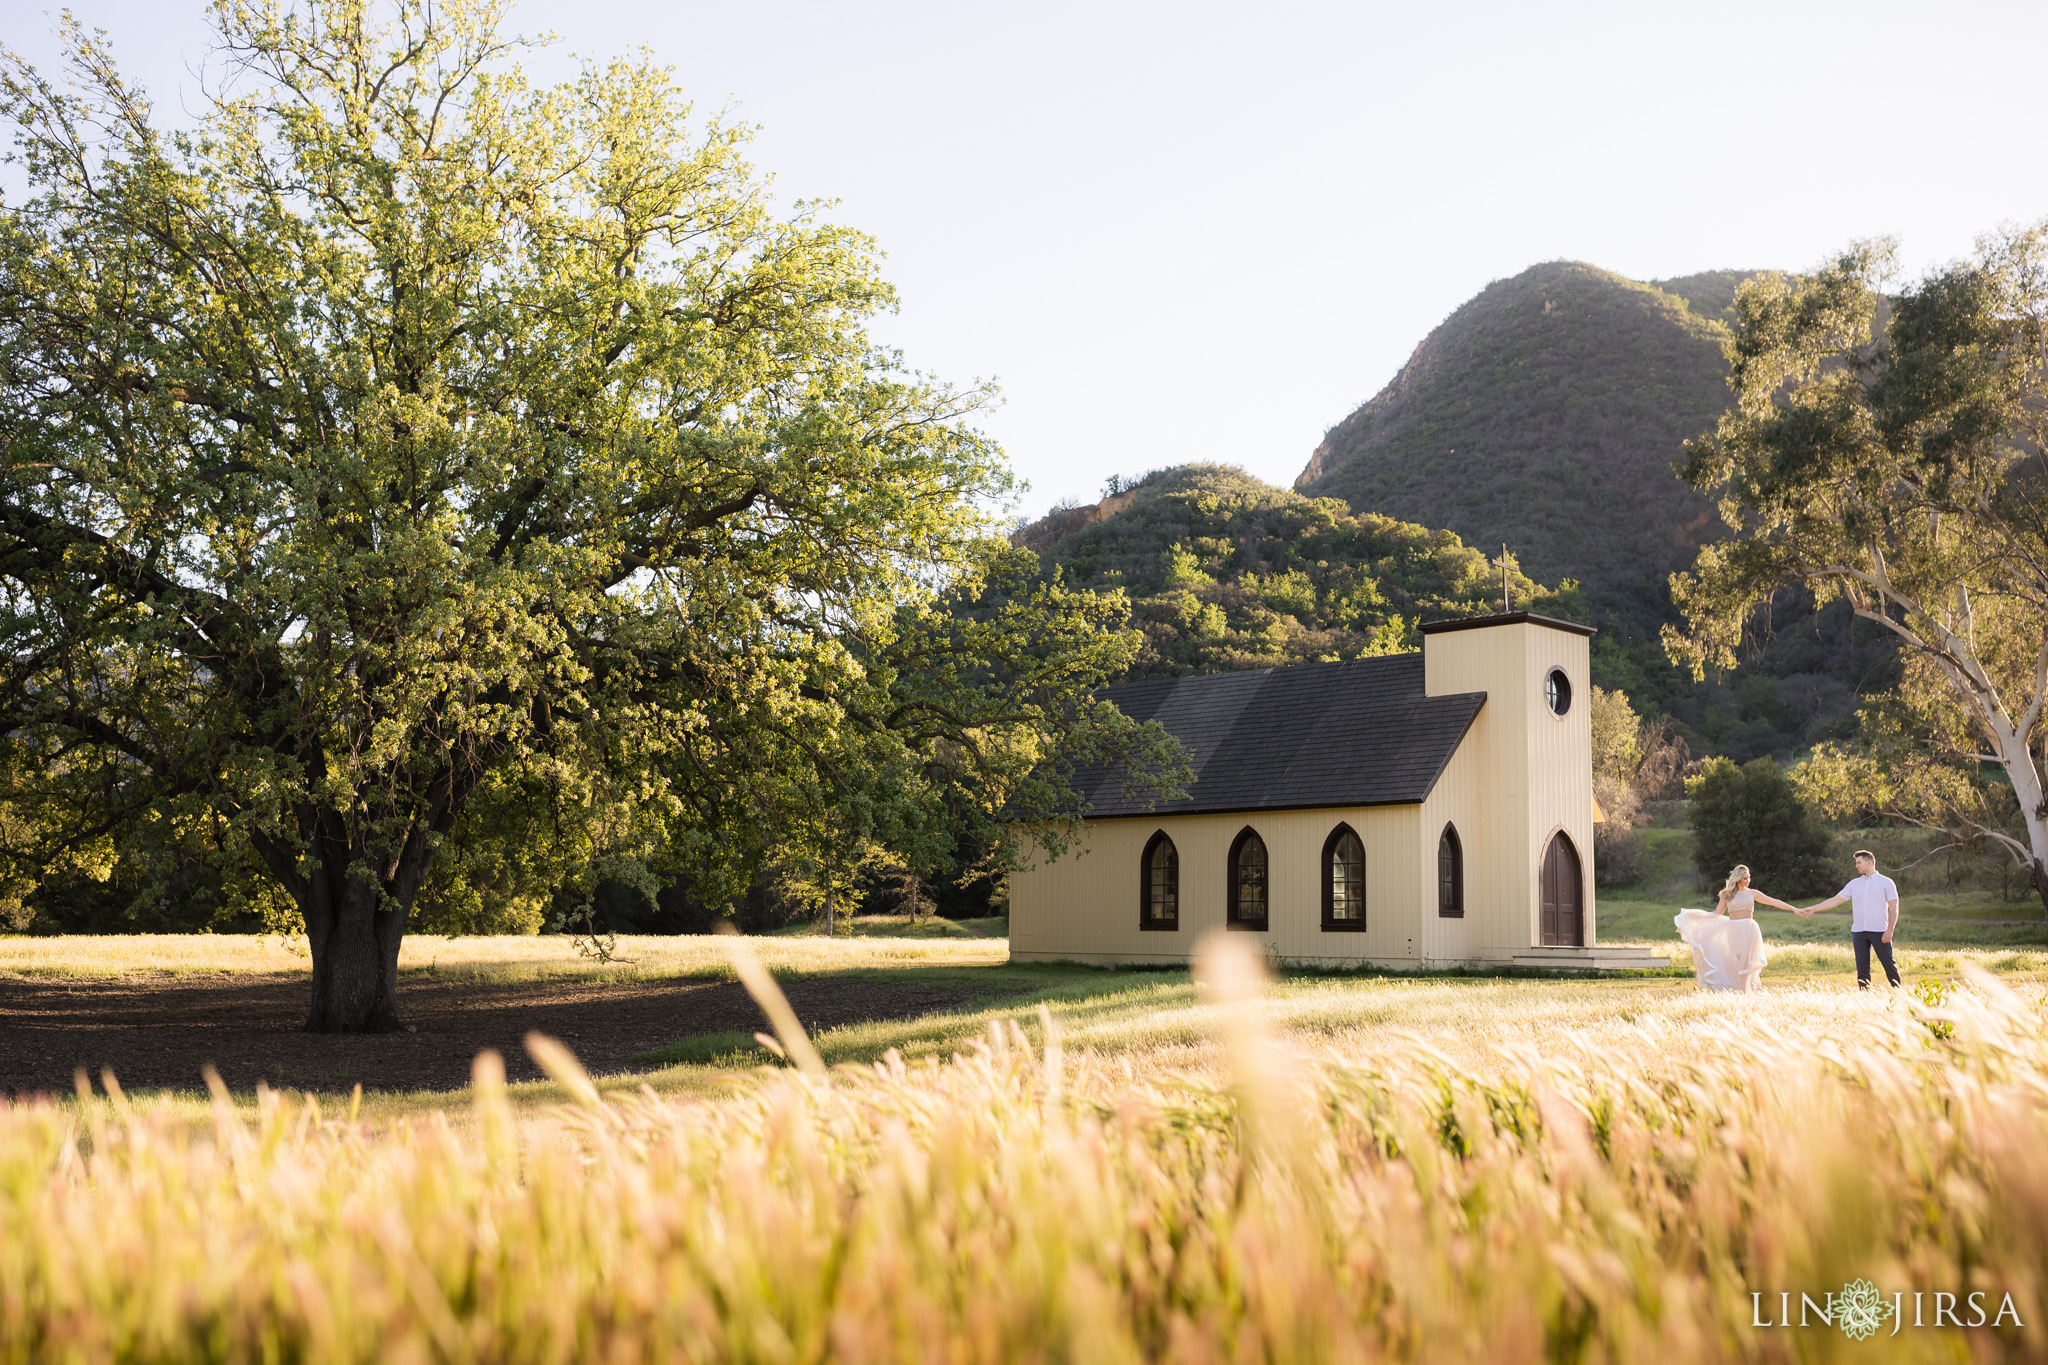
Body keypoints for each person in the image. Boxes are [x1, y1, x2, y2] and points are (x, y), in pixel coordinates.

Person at [1674, 864, 1805, 992]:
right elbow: (1717, 913)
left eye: (1749, 877)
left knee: (1746, 961)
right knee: (1736, 959)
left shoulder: (1752, 893)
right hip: (1734, 930)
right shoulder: (1727, 894)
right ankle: (1739, 989)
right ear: (1737, 878)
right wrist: (1697, 915)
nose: (1748, 880)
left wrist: (1794, 909)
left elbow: (1774, 901)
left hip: (1750, 929)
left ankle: (1745, 991)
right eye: (1745, 878)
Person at [1803, 850, 1902, 988]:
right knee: (1862, 969)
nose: (1856, 865)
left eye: (1859, 862)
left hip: (1880, 931)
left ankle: (1898, 993)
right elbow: (1835, 900)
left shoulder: (1886, 882)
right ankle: (1864, 997)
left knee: (1888, 964)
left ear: (1869, 862)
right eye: (1856, 863)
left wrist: (1890, 930)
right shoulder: (1854, 884)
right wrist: (1813, 908)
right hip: (1859, 932)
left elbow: (1894, 908)